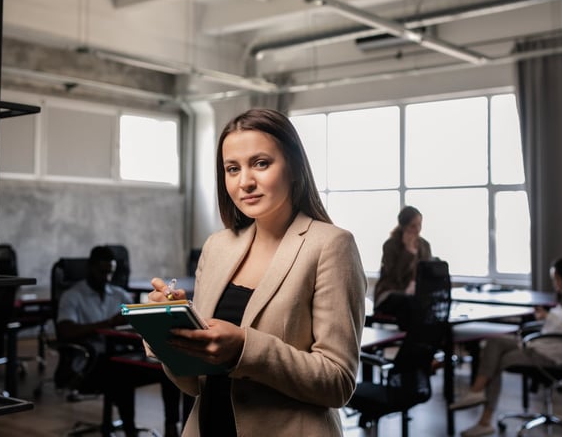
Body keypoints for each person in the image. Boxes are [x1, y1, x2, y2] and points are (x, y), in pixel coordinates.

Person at [146, 108, 366, 436]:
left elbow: (338, 383)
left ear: (293, 167)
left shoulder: (331, 245)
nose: (245, 181)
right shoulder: (218, 247)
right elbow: (193, 384)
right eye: (232, 169)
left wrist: (245, 349)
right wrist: (167, 331)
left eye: (261, 163)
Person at [452, 257, 562, 437]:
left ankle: (484, 419)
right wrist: (546, 317)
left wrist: (548, 315)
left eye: (556, 279)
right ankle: (477, 391)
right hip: (540, 345)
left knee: (500, 359)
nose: (555, 284)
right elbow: (559, 323)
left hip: (551, 355)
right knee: (494, 342)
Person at [57, 245, 181, 437]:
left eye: (110, 273)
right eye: (102, 272)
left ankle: (172, 428)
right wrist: (109, 323)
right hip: (90, 363)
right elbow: (65, 331)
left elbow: (142, 324)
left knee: (167, 367)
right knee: (121, 373)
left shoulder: (120, 294)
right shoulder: (72, 296)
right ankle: (130, 430)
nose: (106, 277)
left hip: (123, 356)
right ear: (90, 268)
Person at [372, 205, 432, 329]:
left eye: (419, 225)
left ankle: (426, 341)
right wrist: (408, 252)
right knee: (409, 303)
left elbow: (427, 272)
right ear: (404, 226)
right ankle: (410, 341)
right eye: (413, 226)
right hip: (390, 292)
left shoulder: (424, 245)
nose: (417, 229)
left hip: (415, 292)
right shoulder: (390, 245)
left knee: (428, 304)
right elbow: (395, 276)